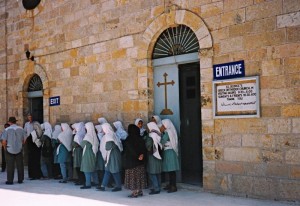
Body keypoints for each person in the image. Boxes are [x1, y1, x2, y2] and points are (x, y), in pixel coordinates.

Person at [123, 124, 147, 198]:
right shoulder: (140, 138)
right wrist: (141, 155)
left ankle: (134, 193)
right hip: (140, 161)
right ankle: (139, 191)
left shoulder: (129, 139)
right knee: (139, 176)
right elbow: (144, 149)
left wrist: (137, 156)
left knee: (133, 177)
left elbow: (131, 150)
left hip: (132, 162)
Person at [97, 123, 123, 192]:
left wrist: (103, 147)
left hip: (112, 155)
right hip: (111, 154)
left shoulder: (108, 136)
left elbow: (108, 146)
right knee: (107, 170)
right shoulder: (112, 134)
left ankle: (118, 186)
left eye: (103, 128)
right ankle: (103, 185)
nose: (102, 130)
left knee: (114, 171)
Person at [1, 117, 26, 184]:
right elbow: (24, 140)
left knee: (10, 166)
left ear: (9, 122)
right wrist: (20, 145)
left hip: (9, 148)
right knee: (20, 165)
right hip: (19, 149)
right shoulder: (21, 129)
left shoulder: (6, 130)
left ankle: (10, 180)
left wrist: (5, 147)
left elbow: (3, 141)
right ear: (15, 122)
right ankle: (20, 180)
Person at [161, 119, 180, 193]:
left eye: (163, 125)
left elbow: (162, 141)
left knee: (171, 171)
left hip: (169, 153)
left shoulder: (167, 133)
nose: (162, 126)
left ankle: (173, 186)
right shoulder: (171, 131)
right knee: (171, 171)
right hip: (171, 152)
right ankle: (171, 184)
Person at [80, 122, 99, 189]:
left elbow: (82, 144)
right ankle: (96, 182)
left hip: (87, 154)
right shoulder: (94, 135)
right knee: (93, 168)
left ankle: (88, 184)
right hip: (93, 153)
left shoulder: (87, 136)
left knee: (87, 169)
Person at [146, 122, 163, 195]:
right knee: (158, 173)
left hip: (152, 156)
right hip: (158, 155)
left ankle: (156, 188)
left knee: (152, 173)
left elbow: (148, 146)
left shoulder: (151, 136)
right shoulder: (158, 134)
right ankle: (158, 186)